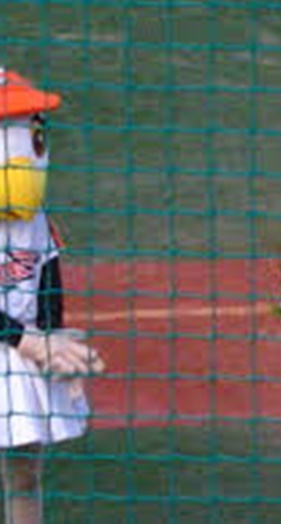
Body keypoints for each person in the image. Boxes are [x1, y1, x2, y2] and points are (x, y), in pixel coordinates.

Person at [0, 67, 105, 524]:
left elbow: (47, 278)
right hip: (16, 343)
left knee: (25, 472)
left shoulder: (35, 219)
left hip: (18, 356)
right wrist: (27, 341)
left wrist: (55, 345)